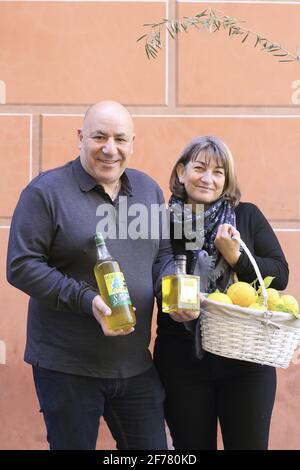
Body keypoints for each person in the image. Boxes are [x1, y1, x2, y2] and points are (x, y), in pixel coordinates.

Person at [6, 101, 179, 450]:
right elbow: (22, 265)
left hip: (134, 364)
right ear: (81, 137)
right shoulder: (45, 192)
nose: (109, 148)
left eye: (119, 138)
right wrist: (87, 300)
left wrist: (173, 290)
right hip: (67, 367)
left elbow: (161, 255)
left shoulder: (148, 190)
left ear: (132, 142)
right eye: (99, 136)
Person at [154, 135, 289, 450]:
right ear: (181, 172)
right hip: (181, 360)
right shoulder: (162, 221)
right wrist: (171, 298)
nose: (207, 178)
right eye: (199, 167)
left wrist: (236, 257)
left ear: (227, 180)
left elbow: (279, 274)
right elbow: (153, 273)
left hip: (247, 362)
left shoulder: (247, 216)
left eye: (218, 172)